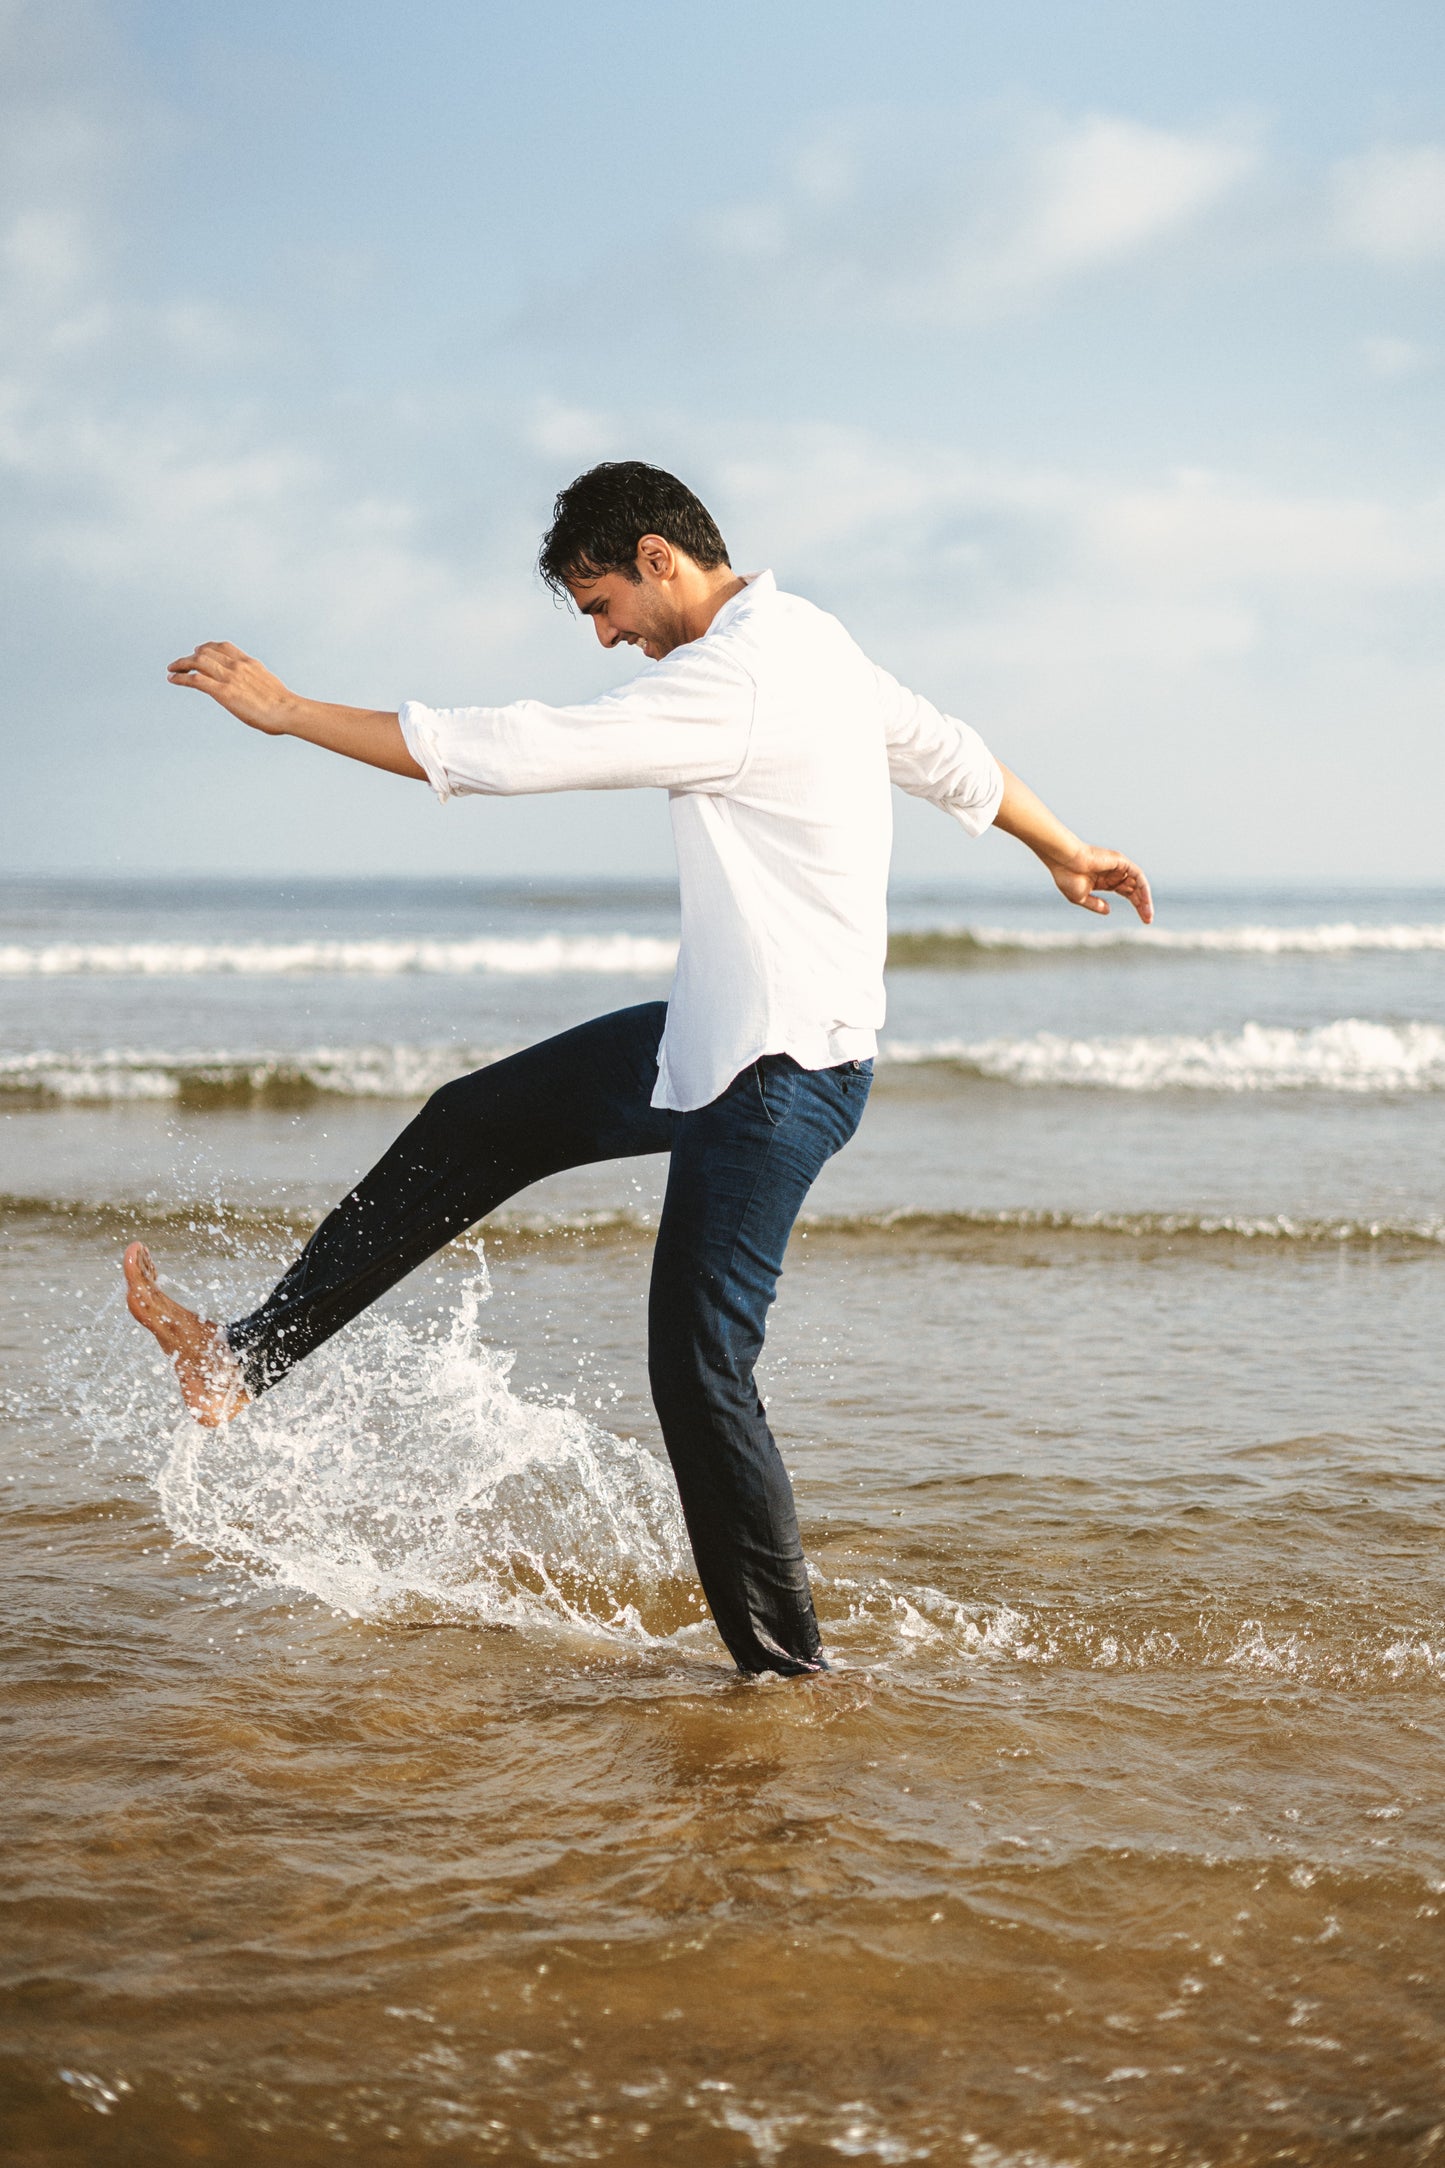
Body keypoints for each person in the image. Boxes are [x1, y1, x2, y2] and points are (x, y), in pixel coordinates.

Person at [124, 460, 1152, 1678]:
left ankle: (784, 1675)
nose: (608, 636)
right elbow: (948, 757)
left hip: (775, 1075)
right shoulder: (811, 638)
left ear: (659, 557)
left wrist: (295, 712)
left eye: (601, 603)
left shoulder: (735, 679)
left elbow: (519, 749)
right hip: (713, 1036)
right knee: (478, 1118)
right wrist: (1063, 847)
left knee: (697, 1367)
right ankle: (244, 1359)